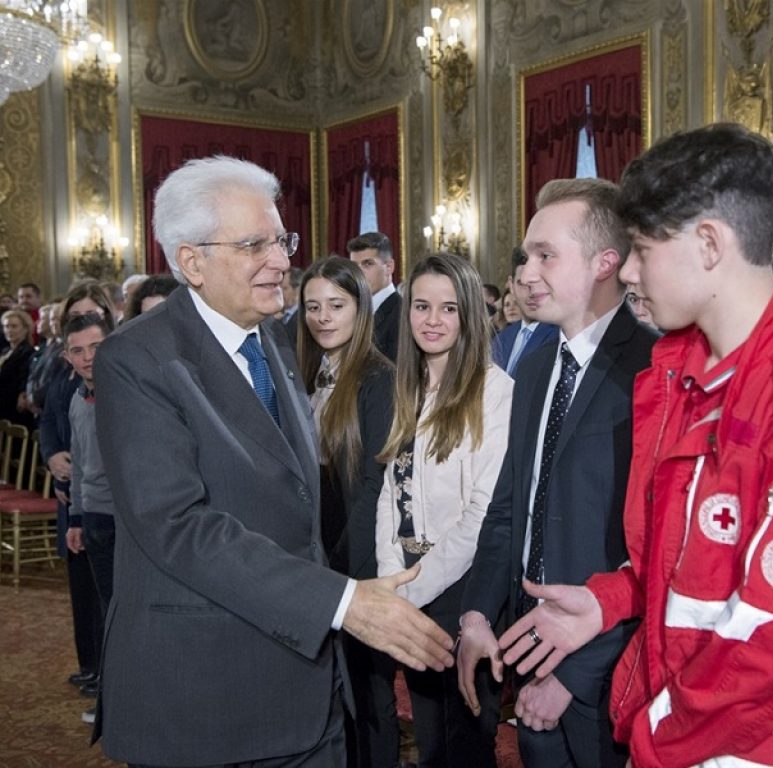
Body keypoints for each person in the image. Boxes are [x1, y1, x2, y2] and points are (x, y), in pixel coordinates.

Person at [500, 124, 773, 768]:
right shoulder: (684, 379)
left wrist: (653, 737)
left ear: (707, 244)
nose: (629, 270)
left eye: (641, 248)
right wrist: (610, 599)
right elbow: (690, 561)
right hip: (702, 729)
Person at [91, 155, 453, 767]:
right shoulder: (137, 360)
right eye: (254, 244)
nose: (283, 261)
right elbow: (177, 526)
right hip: (206, 695)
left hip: (304, 684)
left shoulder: (274, 339)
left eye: (280, 239)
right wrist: (341, 602)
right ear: (191, 262)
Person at [457, 178, 657, 768]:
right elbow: (511, 505)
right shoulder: (539, 363)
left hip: (607, 666)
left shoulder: (650, 367)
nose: (525, 272)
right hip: (528, 648)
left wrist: (573, 674)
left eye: (546, 255)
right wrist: (476, 612)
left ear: (605, 262)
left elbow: (657, 549)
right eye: (524, 256)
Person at [376, 252, 514, 768]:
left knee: (468, 745)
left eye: (449, 309)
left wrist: (412, 590)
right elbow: (392, 492)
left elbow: (483, 513)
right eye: (421, 306)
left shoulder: (495, 392)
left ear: (470, 316)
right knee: (431, 741)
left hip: (464, 588)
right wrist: (392, 579)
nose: (432, 321)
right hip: (409, 586)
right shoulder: (406, 385)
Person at [297, 255, 398, 768]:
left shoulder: (378, 378)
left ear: (361, 309)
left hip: (358, 558)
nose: (323, 317)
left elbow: (374, 487)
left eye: (336, 305)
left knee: (368, 696)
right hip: (316, 555)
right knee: (333, 693)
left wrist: (344, 570)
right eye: (312, 306)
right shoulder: (308, 373)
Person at [63, 312, 116, 724]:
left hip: (130, 519)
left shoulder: (128, 394)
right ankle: (112, 700)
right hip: (96, 518)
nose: (87, 358)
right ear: (66, 356)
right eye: (78, 351)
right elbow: (79, 463)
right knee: (106, 609)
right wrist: (76, 516)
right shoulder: (77, 399)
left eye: (95, 347)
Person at [491, 247, 558, 376]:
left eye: (538, 283)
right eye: (522, 283)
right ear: (511, 285)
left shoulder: (560, 335)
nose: (532, 292)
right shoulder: (501, 339)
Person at [348, 231, 400, 361]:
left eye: (368, 264)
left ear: (389, 267)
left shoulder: (402, 314)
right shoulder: (352, 311)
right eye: (354, 266)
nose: (359, 272)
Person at [0, 308, 37, 428]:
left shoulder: (28, 352)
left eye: (14, 326)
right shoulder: (5, 351)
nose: (9, 330)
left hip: (14, 409)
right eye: (6, 326)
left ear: (25, 329)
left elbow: (23, 380)